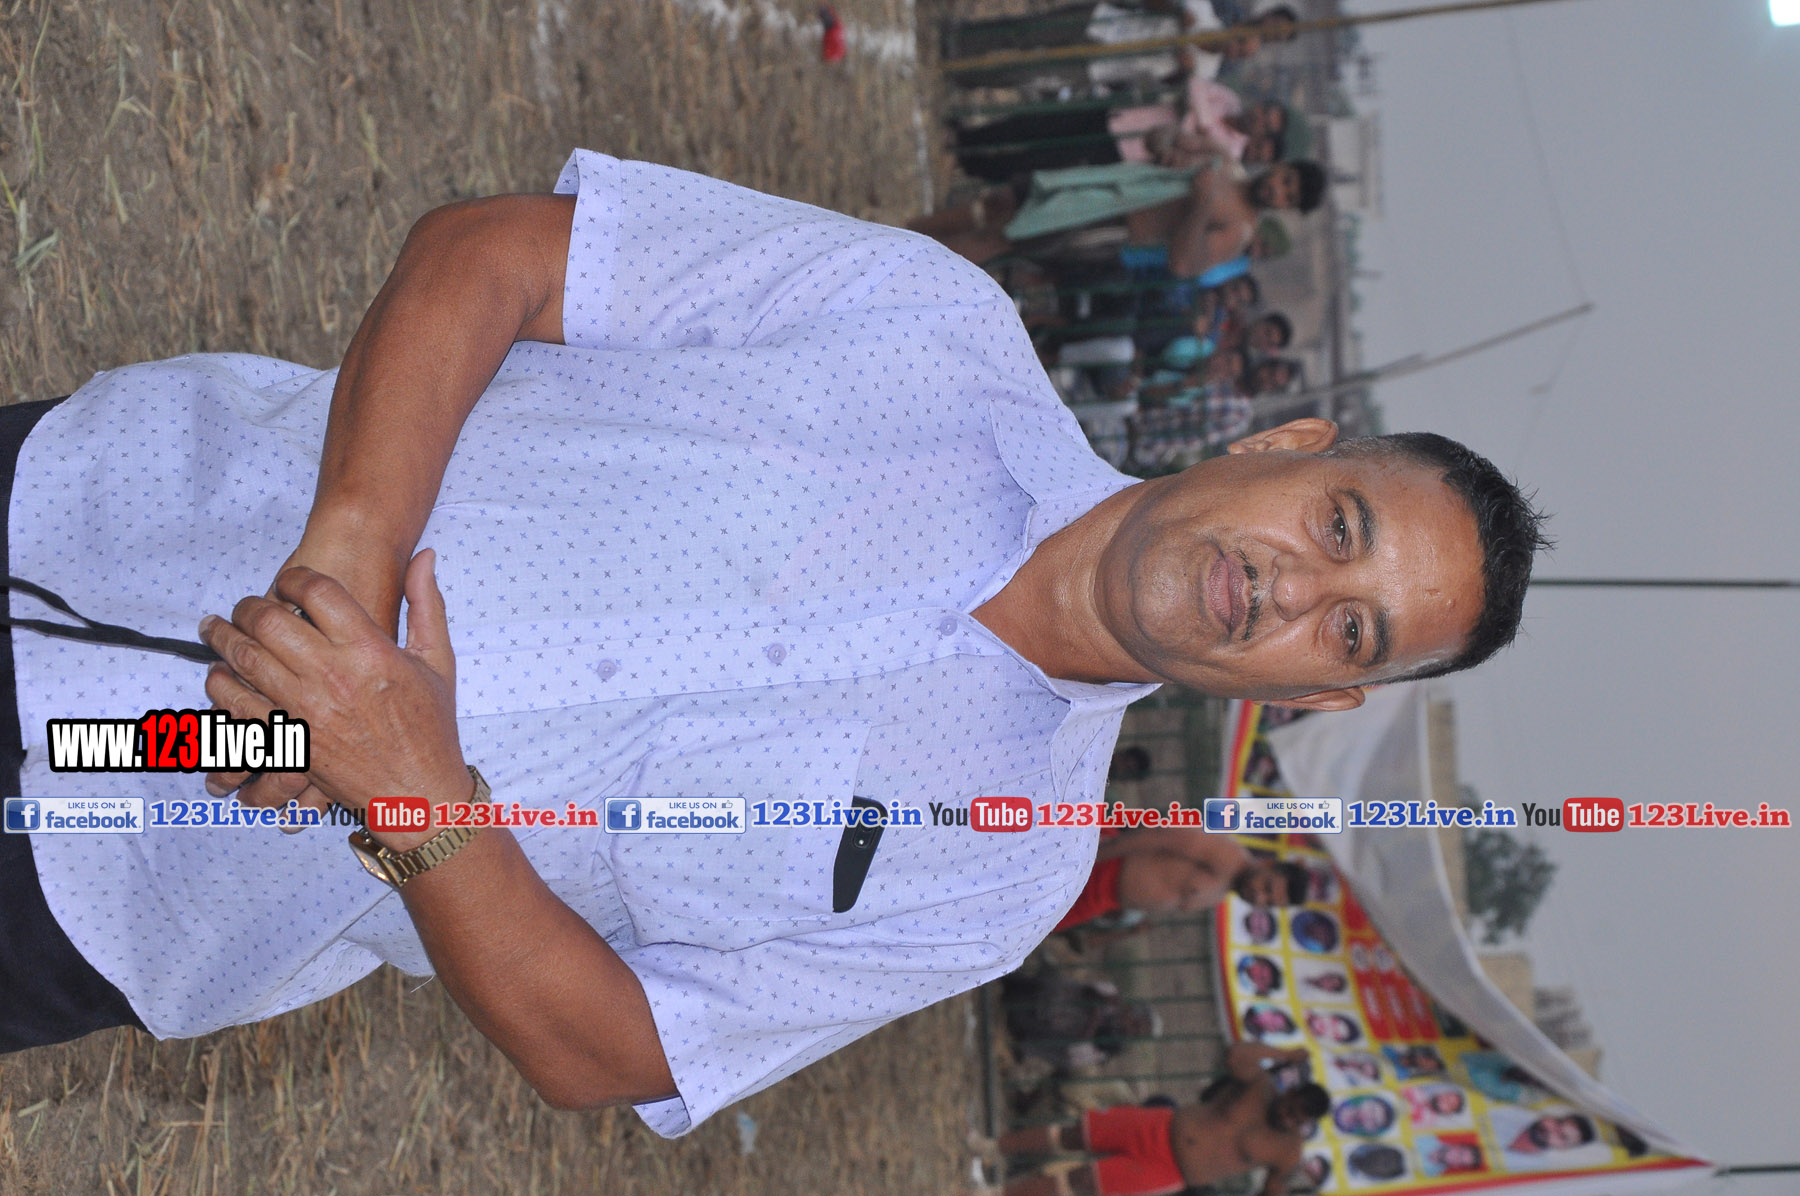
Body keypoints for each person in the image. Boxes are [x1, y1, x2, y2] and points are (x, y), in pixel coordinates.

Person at [4, 153, 1548, 1140]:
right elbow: (496, 255)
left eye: (1349, 626)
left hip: (131, 879)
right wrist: (344, 561)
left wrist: (415, 797)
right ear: (1282, 445)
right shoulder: (926, 323)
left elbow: (613, 1048)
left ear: (1322, 687)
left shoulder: (998, 877)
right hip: (101, 522)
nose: (1286, 589)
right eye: (1337, 525)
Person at [995, 1042, 1326, 1196]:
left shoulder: (1288, 1151)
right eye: (1291, 1108)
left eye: (1297, 1120)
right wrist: (1284, 1055)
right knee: (1072, 1135)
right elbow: (1236, 1055)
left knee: (1082, 1182)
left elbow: (1273, 1189)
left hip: (1170, 1170)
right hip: (1160, 1124)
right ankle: (991, 1147)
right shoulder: (1260, 1085)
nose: (1288, 1118)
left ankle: (995, 1194)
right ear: (1289, 1092)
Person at [1053, 826, 1309, 931]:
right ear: (1268, 864)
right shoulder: (1226, 855)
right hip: (1099, 868)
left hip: (1100, 900)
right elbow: (1160, 837)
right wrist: (1092, 857)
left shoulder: (1223, 892)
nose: (1259, 897)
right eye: (1267, 886)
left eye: (1268, 902)